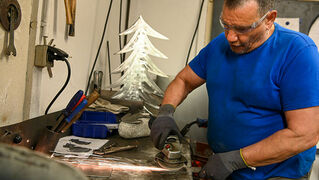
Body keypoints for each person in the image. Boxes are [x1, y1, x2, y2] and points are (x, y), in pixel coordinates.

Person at [150, 0, 319, 179]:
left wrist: (235, 160)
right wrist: (165, 112)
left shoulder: (297, 52)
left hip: (275, 175)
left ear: (269, 19)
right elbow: (184, 81)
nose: (230, 36)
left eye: (242, 28)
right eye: (226, 25)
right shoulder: (219, 45)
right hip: (223, 168)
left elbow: (303, 135)